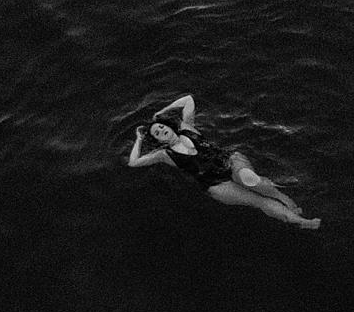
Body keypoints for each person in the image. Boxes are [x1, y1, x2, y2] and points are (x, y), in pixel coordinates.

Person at [126, 94, 320, 229]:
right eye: (157, 133)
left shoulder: (188, 127)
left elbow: (188, 100)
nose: (161, 131)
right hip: (216, 184)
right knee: (259, 201)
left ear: (168, 125)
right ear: (158, 140)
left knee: (250, 179)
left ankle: (283, 197)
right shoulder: (165, 155)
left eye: (161, 127)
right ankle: (299, 221)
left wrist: (160, 113)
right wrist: (140, 139)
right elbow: (133, 163)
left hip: (229, 161)